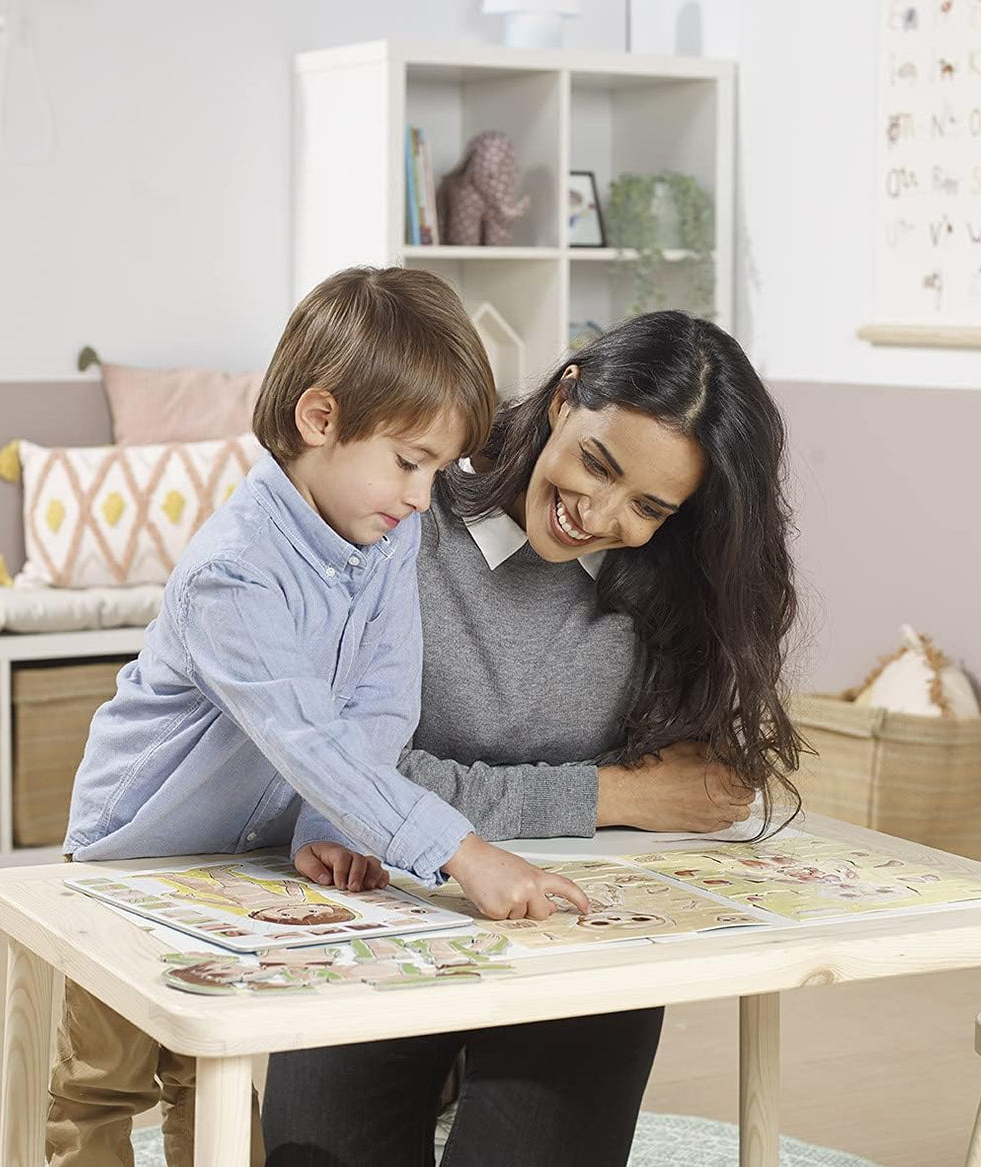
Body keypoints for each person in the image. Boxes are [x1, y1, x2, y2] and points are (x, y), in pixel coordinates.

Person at [45, 266, 588, 1167]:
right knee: (103, 1081)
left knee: (208, 1068)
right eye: (410, 462)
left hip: (234, 861)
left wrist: (331, 823)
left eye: (437, 471)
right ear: (319, 419)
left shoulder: (386, 533)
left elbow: (381, 699)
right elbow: (305, 733)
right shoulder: (235, 571)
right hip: (132, 855)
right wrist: (461, 850)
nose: (423, 495)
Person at [265, 309, 805, 1167]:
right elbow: (347, 772)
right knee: (312, 1154)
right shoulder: (405, 506)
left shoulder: (671, 581)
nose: (599, 513)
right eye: (597, 463)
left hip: (569, 922)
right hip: (386, 898)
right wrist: (614, 793)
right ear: (564, 399)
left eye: (650, 506)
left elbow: (697, 793)